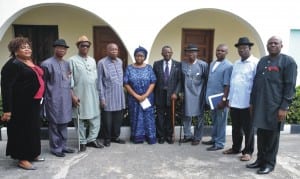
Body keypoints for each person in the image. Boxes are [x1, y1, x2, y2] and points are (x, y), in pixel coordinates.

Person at [246, 36, 297, 174]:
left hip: (275, 107)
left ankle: (269, 163)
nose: (272, 45)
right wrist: (252, 102)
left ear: (281, 45)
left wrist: (284, 107)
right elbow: (256, 83)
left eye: (276, 43)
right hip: (260, 105)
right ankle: (260, 160)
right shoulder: (263, 61)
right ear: (267, 46)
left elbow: (290, 86)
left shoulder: (288, 62)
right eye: (270, 43)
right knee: (261, 135)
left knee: (272, 137)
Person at [1, 37, 45, 170]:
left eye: (28, 47)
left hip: (33, 103)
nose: (27, 49)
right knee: (22, 131)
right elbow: (6, 88)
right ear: (15, 51)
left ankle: (32, 154)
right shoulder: (13, 64)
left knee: (33, 129)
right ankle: (22, 158)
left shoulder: (28, 61)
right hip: (20, 105)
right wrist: (7, 110)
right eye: (23, 47)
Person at [222, 37, 258, 161]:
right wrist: (228, 99)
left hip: (248, 103)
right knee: (235, 128)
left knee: (248, 129)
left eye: (244, 48)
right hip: (235, 102)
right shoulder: (236, 63)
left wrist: (254, 102)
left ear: (249, 49)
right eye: (240, 48)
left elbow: (257, 85)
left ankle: (248, 151)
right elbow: (233, 82)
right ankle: (236, 148)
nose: (242, 50)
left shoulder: (255, 63)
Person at [69, 35, 104, 151]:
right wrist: (72, 95)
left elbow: (96, 78)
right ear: (78, 46)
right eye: (82, 45)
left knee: (95, 118)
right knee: (80, 120)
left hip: (93, 94)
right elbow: (69, 80)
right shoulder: (72, 60)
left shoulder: (92, 60)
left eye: (87, 45)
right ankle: (82, 141)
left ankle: (92, 139)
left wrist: (100, 95)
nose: (85, 47)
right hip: (79, 94)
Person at [41, 39, 75, 157]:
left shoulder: (66, 64)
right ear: (54, 48)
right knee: (54, 124)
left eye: (64, 48)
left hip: (65, 99)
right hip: (53, 99)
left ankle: (63, 146)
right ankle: (56, 148)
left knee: (64, 123)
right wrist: (44, 100)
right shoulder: (46, 64)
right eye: (59, 47)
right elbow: (43, 84)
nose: (61, 50)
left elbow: (69, 81)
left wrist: (72, 96)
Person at [124, 46, 157, 144]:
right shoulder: (129, 68)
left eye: (141, 56)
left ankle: (149, 137)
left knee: (148, 117)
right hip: (133, 99)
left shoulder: (149, 68)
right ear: (134, 56)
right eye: (137, 56)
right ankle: (137, 137)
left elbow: (153, 82)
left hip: (148, 98)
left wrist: (145, 95)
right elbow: (126, 83)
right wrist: (136, 96)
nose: (139, 58)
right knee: (135, 117)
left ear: (145, 57)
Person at [203, 44, 232, 151]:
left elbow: (227, 85)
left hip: (220, 99)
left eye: (222, 51)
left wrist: (224, 100)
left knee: (221, 121)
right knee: (215, 120)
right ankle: (214, 139)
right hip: (212, 98)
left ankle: (220, 143)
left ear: (226, 52)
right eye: (218, 50)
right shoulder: (212, 63)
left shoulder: (228, 66)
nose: (219, 52)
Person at [97, 43, 126, 147]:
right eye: (112, 49)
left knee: (118, 119)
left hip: (119, 94)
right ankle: (107, 138)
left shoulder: (120, 61)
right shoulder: (101, 63)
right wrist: (102, 98)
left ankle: (115, 137)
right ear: (107, 51)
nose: (114, 51)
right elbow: (99, 81)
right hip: (107, 95)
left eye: (116, 49)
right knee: (107, 120)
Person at [181, 44, 208, 145]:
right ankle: (187, 135)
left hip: (199, 94)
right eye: (188, 52)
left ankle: (197, 137)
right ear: (186, 53)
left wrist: (205, 94)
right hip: (186, 95)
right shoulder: (183, 64)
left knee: (199, 117)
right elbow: (180, 79)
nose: (190, 54)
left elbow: (206, 80)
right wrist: (180, 92)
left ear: (197, 53)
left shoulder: (203, 65)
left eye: (193, 52)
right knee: (186, 115)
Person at [153, 45, 181, 144]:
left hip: (171, 96)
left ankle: (169, 135)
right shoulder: (156, 64)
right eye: (165, 52)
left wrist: (176, 93)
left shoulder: (178, 64)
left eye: (169, 52)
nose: (167, 54)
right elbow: (154, 81)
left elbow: (179, 81)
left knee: (170, 116)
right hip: (159, 94)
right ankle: (161, 136)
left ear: (172, 53)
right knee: (160, 117)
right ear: (162, 53)